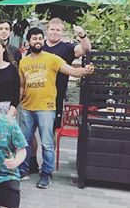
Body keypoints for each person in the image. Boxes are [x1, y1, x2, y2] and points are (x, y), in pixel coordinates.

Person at [18, 27, 95, 189]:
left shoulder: (52, 58)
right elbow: (22, 85)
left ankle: (46, 173)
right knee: (24, 142)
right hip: (26, 108)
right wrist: (16, 104)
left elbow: (72, 71)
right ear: (29, 41)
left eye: (40, 38)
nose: (37, 41)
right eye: (34, 39)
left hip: (46, 108)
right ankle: (22, 170)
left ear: (42, 39)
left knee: (47, 143)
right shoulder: (23, 61)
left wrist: (85, 71)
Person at [44, 17, 92, 127]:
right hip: (35, 96)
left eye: (58, 30)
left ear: (62, 32)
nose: (54, 32)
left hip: (57, 97)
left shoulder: (67, 48)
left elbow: (86, 49)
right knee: (29, 132)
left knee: (53, 130)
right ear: (47, 30)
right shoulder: (38, 46)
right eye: (52, 29)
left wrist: (82, 35)